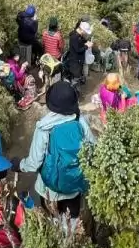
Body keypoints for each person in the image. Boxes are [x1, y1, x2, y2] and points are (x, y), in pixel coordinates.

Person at [19, 82, 95, 234]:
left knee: (53, 224)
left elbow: (34, 164)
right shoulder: (79, 122)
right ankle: (72, 245)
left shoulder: (44, 127)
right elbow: (93, 149)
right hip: (74, 187)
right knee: (72, 225)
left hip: (49, 190)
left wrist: (19, 165)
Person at [65, 21, 93, 87]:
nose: (85, 33)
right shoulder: (74, 37)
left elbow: (82, 40)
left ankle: (76, 84)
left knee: (78, 74)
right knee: (75, 77)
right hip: (75, 61)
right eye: (85, 32)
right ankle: (74, 89)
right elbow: (77, 50)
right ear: (82, 30)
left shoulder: (79, 35)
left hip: (79, 60)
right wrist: (87, 46)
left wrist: (87, 42)